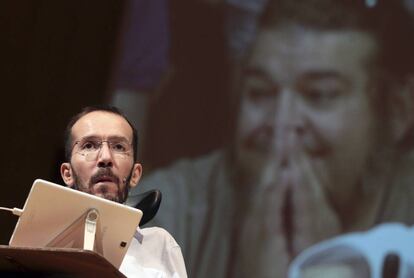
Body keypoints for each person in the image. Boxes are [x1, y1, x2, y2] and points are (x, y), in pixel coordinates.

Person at [127, 0, 414, 277]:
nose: (281, 124)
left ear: (396, 111)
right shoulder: (165, 217)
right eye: (260, 92)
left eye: (320, 94)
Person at [60, 105, 187, 278]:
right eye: (89, 145)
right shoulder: (36, 246)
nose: (105, 158)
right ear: (67, 174)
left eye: (119, 147)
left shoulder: (159, 246)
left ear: (135, 175)